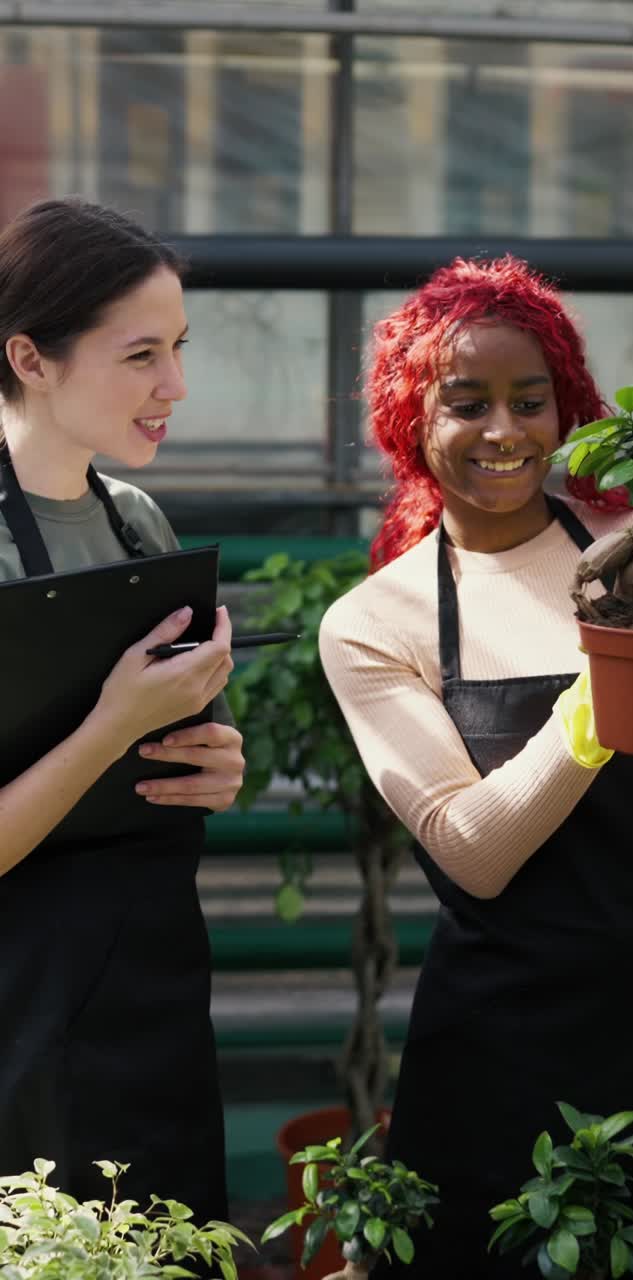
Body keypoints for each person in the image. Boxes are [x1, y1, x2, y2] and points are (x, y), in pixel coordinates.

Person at [319, 255, 633, 1276]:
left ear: (570, 409)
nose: (504, 431)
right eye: (467, 403)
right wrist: (596, 706)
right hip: (510, 1056)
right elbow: (470, 852)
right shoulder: (378, 620)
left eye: (529, 400)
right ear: (411, 419)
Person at [0, 198, 245, 1224]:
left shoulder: (138, 522)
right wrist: (109, 722)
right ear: (31, 356)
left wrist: (211, 761)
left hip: (148, 994)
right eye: (141, 353)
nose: (175, 386)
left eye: (179, 348)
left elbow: (155, 765)